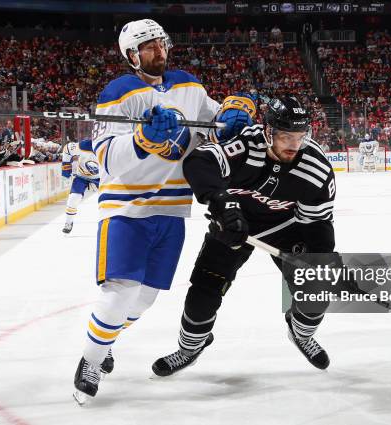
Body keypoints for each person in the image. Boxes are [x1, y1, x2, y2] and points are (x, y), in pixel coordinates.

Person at [72, 18, 255, 404]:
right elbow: (107, 159)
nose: (159, 51)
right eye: (148, 47)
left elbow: (212, 122)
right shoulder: (119, 93)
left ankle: (104, 345)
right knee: (120, 292)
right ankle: (89, 363)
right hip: (127, 207)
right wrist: (143, 138)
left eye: (161, 44)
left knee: (147, 297)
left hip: (173, 209)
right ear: (131, 55)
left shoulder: (188, 84)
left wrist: (234, 112)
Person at [152, 96, 336, 377]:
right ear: (268, 131)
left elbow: (319, 223)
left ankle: (300, 333)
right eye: (285, 136)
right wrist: (223, 203)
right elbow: (199, 163)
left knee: (316, 289)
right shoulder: (248, 146)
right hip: (233, 223)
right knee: (203, 294)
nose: (293, 145)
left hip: (285, 228)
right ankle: (190, 348)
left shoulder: (316, 168)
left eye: (300, 136)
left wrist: (320, 258)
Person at [60, 139, 100, 234]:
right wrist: (66, 170)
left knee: (108, 200)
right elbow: (67, 149)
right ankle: (68, 222)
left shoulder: (109, 146)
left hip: (100, 178)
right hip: (82, 176)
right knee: (73, 198)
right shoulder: (84, 145)